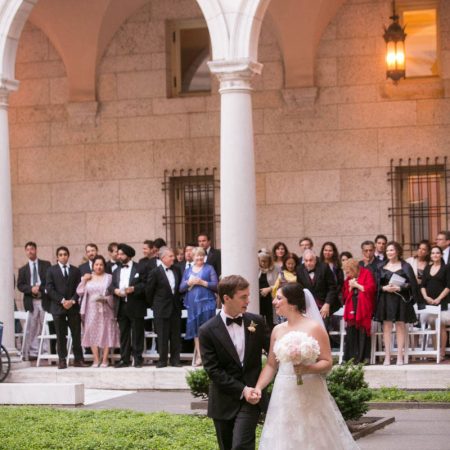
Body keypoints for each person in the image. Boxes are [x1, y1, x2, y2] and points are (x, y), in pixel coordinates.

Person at [254, 283, 357, 449]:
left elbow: (327, 362)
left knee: (313, 435)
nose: (274, 302)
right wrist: (259, 387)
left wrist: (308, 369)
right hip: (284, 390)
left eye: (279, 298)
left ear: (293, 304)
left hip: (311, 390)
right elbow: (272, 365)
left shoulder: (314, 327)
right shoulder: (277, 330)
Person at [199, 275, 268, 450]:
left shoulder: (257, 322)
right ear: (227, 298)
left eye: (248, 295)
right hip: (223, 400)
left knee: (241, 446)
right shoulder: (207, 330)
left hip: (251, 399)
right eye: (243, 297)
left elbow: (274, 353)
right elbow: (213, 370)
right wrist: (241, 390)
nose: (248, 300)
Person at [374, 241, 420, 365]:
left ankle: (400, 356)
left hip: (400, 299)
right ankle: (387, 357)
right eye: (387, 250)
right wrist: (384, 288)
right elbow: (375, 285)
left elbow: (412, 285)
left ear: (398, 252)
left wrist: (400, 288)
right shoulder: (380, 266)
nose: (389, 252)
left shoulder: (406, 266)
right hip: (385, 299)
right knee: (387, 327)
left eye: (392, 250)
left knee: (400, 326)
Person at [45, 246, 90, 369]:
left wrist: (73, 300)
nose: (63, 256)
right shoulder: (51, 270)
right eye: (60, 254)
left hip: (73, 308)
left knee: (76, 334)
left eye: (65, 254)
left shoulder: (75, 270)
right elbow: (49, 289)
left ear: (68, 256)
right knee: (60, 335)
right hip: (58, 308)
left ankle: (78, 359)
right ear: (57, 257)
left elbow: (79, 287)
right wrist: (63, 300)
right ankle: (62, 360)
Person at [77, 255, 120, 367]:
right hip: (91, 308)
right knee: (91, 331)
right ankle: (96, 359)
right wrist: (83, 280)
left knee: (106, 331)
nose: (99, 267)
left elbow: (112, 293)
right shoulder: (88, 277)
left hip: (106, 307)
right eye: (96, 264)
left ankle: (105, 359)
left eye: (101, 264)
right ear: (93, 266)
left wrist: (106, 299)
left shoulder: (109, 277)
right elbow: (80, 291)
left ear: (104, 266)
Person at [179, 247, 218, 366]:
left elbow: (216, 285)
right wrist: (188, 283)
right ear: (193, 257)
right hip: (194, 305)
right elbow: (180, 288)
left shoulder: (209, 268)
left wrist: (202, 282)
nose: (199, 257)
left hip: (207, 303)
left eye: (202, 255)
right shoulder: (188, 270)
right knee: (197, 331)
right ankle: (200, 357)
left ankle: (211, 356)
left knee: (208, 329)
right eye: (197, 255)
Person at [111, 243, 147, 368]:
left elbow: (145, 285)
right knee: (124, 333)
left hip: (136, 305)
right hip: (121, 305)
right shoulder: (116, 270)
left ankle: (138, 359)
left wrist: (133, 289)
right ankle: (124, 359)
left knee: (137, 333)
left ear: (129, 255)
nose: (119, 256)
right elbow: (112, 286)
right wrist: (114, 290)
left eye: (122, 254)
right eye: (118, 254)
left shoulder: (140, 268)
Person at [146, 246, 182, 368]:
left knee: (175, 335)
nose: (173, 258)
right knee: (162, 335)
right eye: (171, 256)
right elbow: (149, 291)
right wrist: (155, 306)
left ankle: (175, 360)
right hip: (161, 309)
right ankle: (162, 360)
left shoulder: (177, 270)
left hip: (175, 308)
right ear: (163, 258)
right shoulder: (155, 272)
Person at [17, 241, 51, 361]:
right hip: (31, 301)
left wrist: (39, 288)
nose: (30, 251)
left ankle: (46, 352)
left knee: (44, 325)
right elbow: (20, 285)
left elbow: (49, 281)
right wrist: (31, 289)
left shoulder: (46, 265)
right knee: (32, 326)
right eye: (28, 249)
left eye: (32, 249)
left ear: (36, 250)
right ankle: (33, 352)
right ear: (26, 252)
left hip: (43, 299)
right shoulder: (23, 269)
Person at [342, 259, 376, 364]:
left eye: (348, 272)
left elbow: (371, 289)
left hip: (364, 308)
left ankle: (364, 358)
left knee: (363, 332)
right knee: (351, 332)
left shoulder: (366, 273)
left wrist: (356, 285)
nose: (347, 274)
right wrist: (350, 288)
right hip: (352, 307)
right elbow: (345, 295)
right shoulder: (349, 278)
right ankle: (350, 358)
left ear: (354, 269)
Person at [420, 246, 450, 361]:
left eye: (437, 253)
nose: (435, 255)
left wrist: (438, 298)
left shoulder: (446, 268)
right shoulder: (427, 268)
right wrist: (426, 297)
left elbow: (448, 286)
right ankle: (435, 350)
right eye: (433, 253)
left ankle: (441, 352)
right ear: (430, 255)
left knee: (441, 326)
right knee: (433, 325)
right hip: (429, 301)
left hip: (442, 300)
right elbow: (423, 285)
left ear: (441, 255)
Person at [296, 249, 339, 319]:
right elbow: (300, 289)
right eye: (306, 261)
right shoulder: (299, 269)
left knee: (324, 328)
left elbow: (332, 288)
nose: (308, 263)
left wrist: (327, 304)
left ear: (315, 259)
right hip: (308, 306)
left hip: (324, 305)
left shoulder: (324, 267)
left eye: (311, 260)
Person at [258, 249, 279, 329]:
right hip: (258, 299)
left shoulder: (276, 268)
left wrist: (269, 289)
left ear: (270, 261)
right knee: (258, 320)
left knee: (270, 322)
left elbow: (280, 284)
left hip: (270, 299)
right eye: (261, 261)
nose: (263, 263)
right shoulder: (255, 268)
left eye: (265, 261)